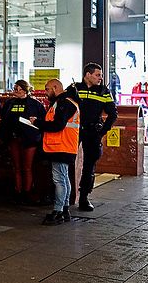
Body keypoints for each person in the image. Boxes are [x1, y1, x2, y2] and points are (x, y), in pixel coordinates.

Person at [30, 79, 80, 226]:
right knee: (64, 178)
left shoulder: (63, 103)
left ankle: (58, 211)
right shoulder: (70, 102)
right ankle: (64, 210)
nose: (46, 93)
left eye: (47, 89)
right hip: (65, 146)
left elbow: (57, 125)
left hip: (60, 146)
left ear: (55, 87)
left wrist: (37, 123)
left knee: (59, 180)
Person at [73, 63, 118, 211]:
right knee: (67, 163)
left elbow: (112, 113)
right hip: (74, 131)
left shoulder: (103, 91)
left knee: (89, 165)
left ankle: (84, 197)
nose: (101, 78)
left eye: (101, 75)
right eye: (97, 75)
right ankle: (68, 195)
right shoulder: (75, 89)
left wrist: (102, 132)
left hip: (93, 132)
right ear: (88, 75)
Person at [0, 80, 45, 203]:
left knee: (27, 167)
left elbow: (42, 122)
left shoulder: (35, 104)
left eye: (18, 89)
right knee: (17, 167)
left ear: (25, 90)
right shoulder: (9, 103)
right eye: (15, 88)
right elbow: (3, 120)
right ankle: (18, 191)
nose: (15, 91)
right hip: (13, 138)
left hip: (30, 140)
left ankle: (27, 192)